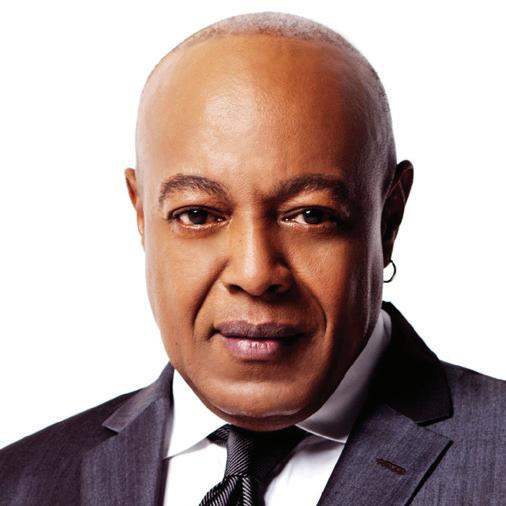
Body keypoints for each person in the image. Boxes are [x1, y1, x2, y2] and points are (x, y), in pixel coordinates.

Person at [0, 11, 504, 506]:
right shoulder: (18, 483)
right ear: (141, 216)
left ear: (388, 219)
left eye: (310, 215)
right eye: (198, 214)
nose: (255, 273)